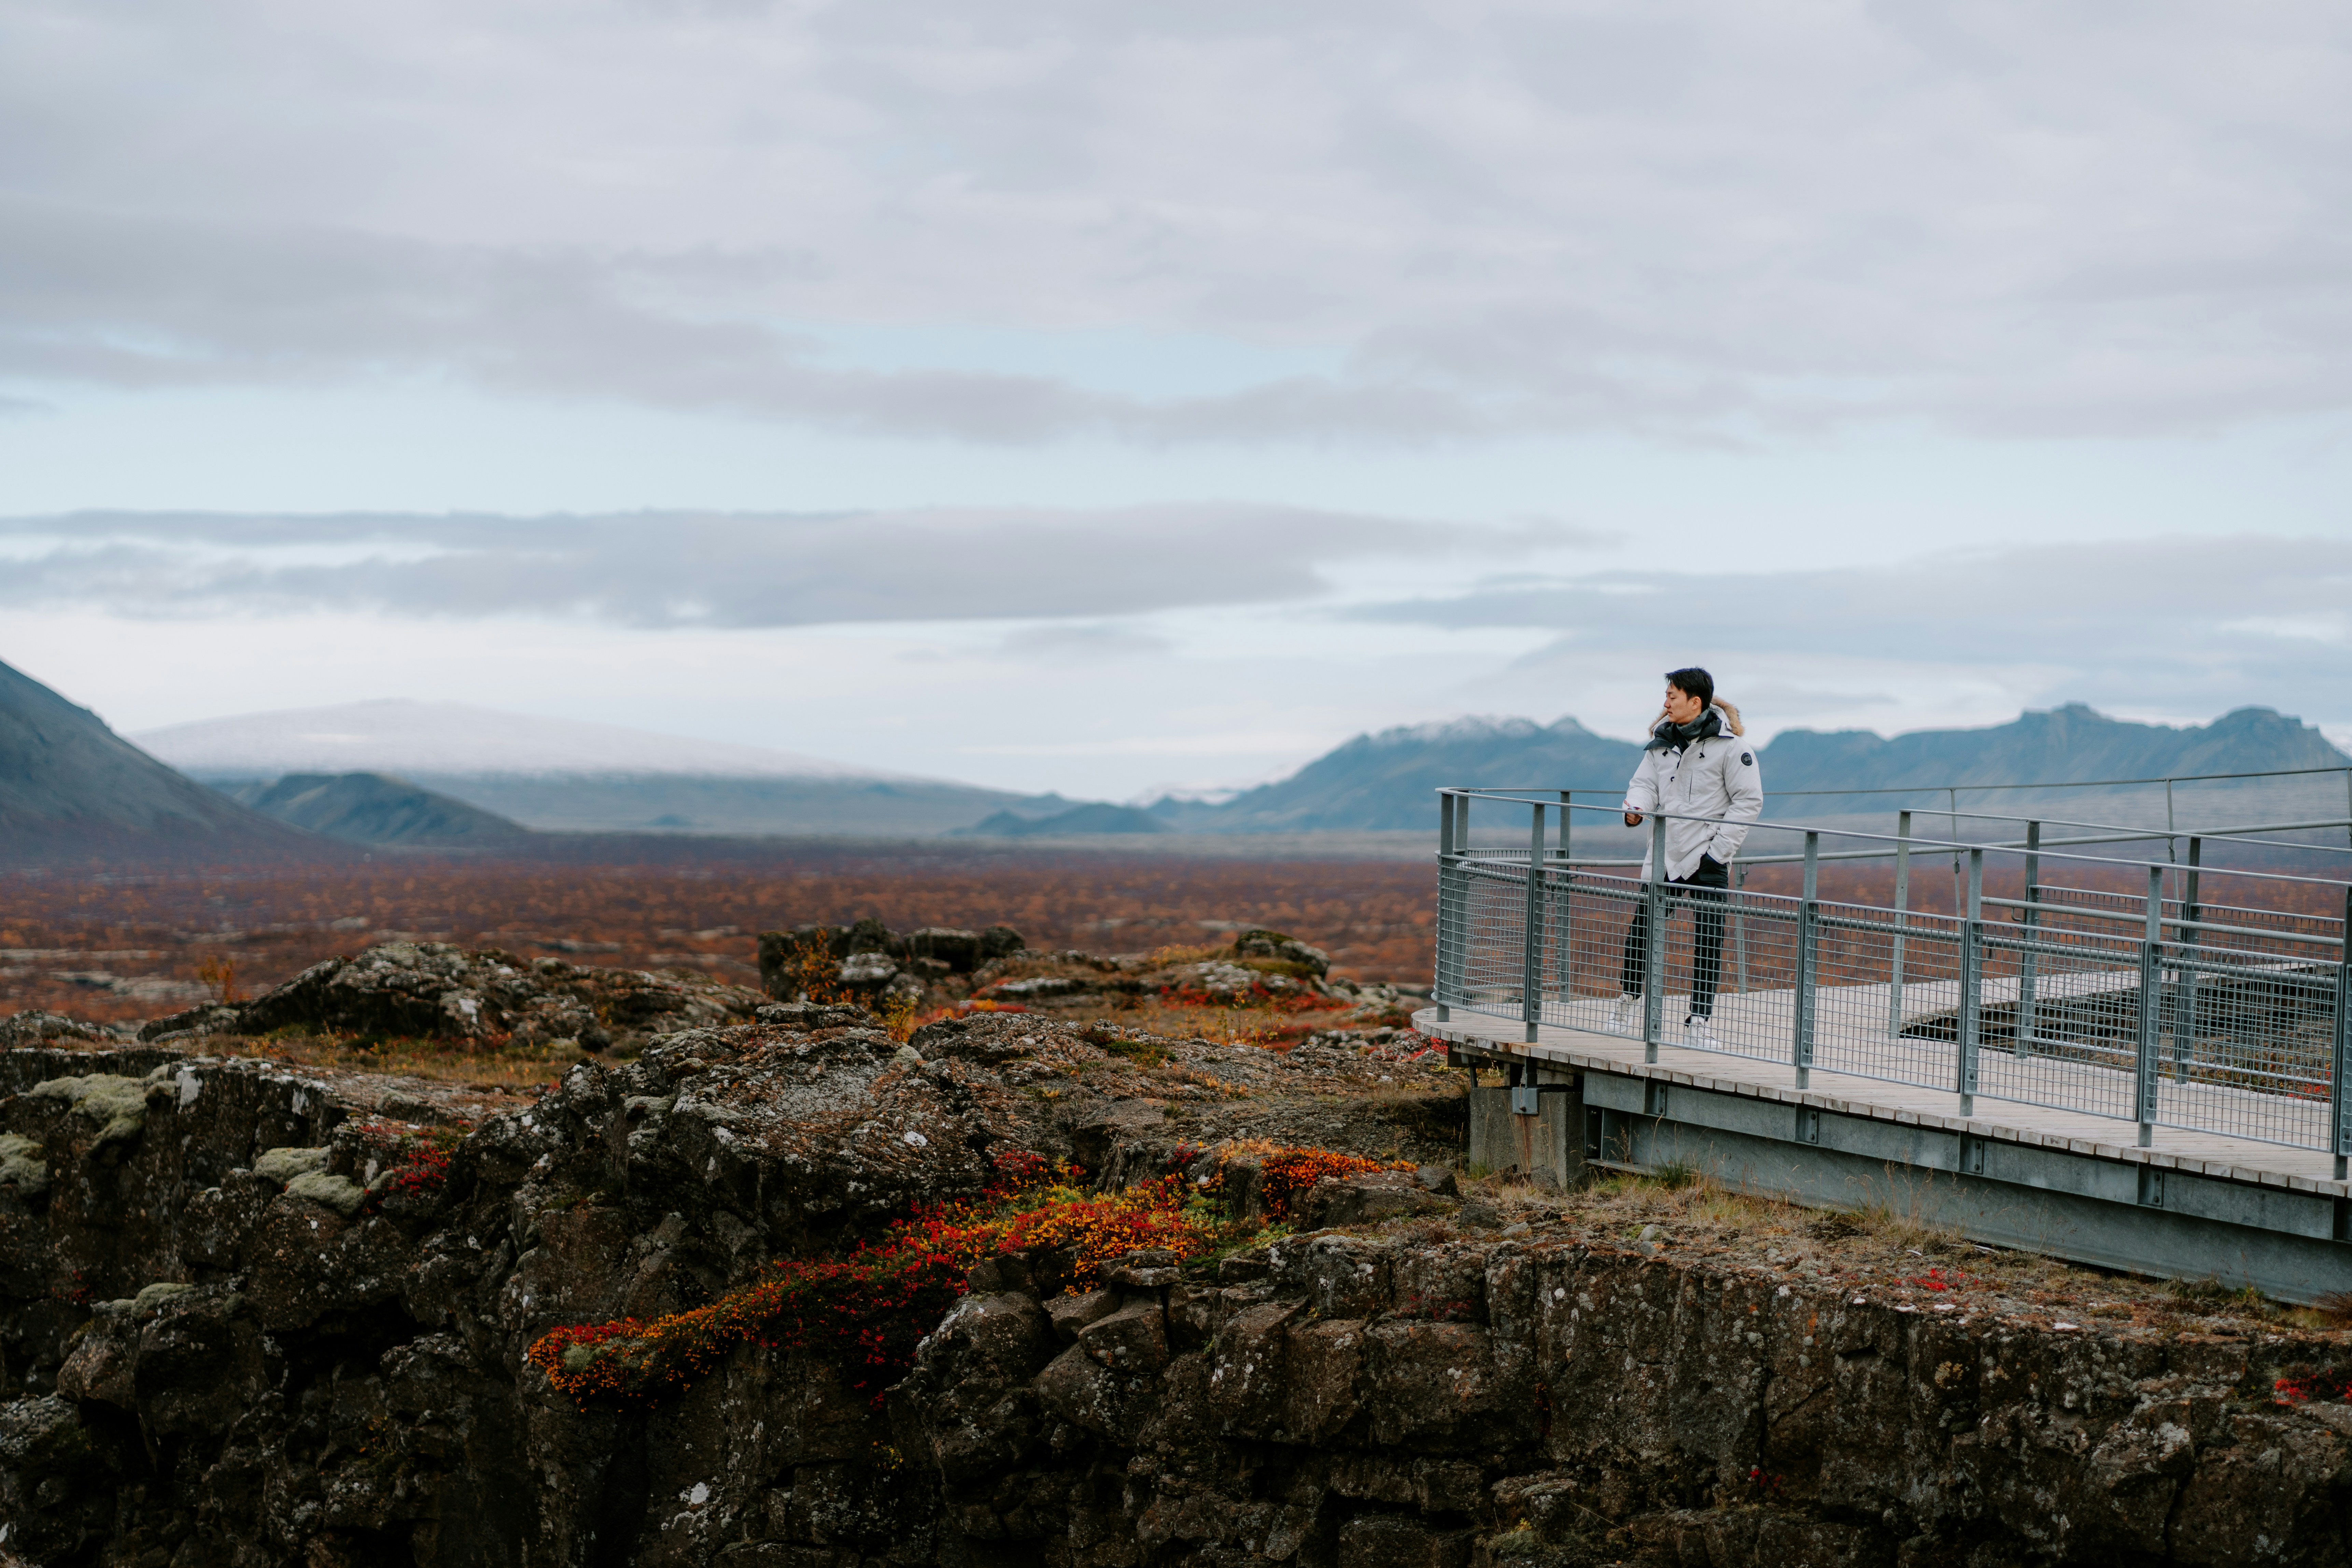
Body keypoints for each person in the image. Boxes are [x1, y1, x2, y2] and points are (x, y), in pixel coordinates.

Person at [1610, 668, 1762, 1047]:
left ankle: (1699, 1024)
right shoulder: (1660, 744)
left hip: (1709, 858)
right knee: (1641, 933)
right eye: (1666, 696)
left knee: (1709, 941)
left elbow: (1748, 802)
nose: (1665, 704)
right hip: (1667, 855)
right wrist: (1636, 808)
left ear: (1695, 702)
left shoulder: (1732, 749)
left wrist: (1718, 854)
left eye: (1672, 696)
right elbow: (1644, 784)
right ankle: (1627, 1003)